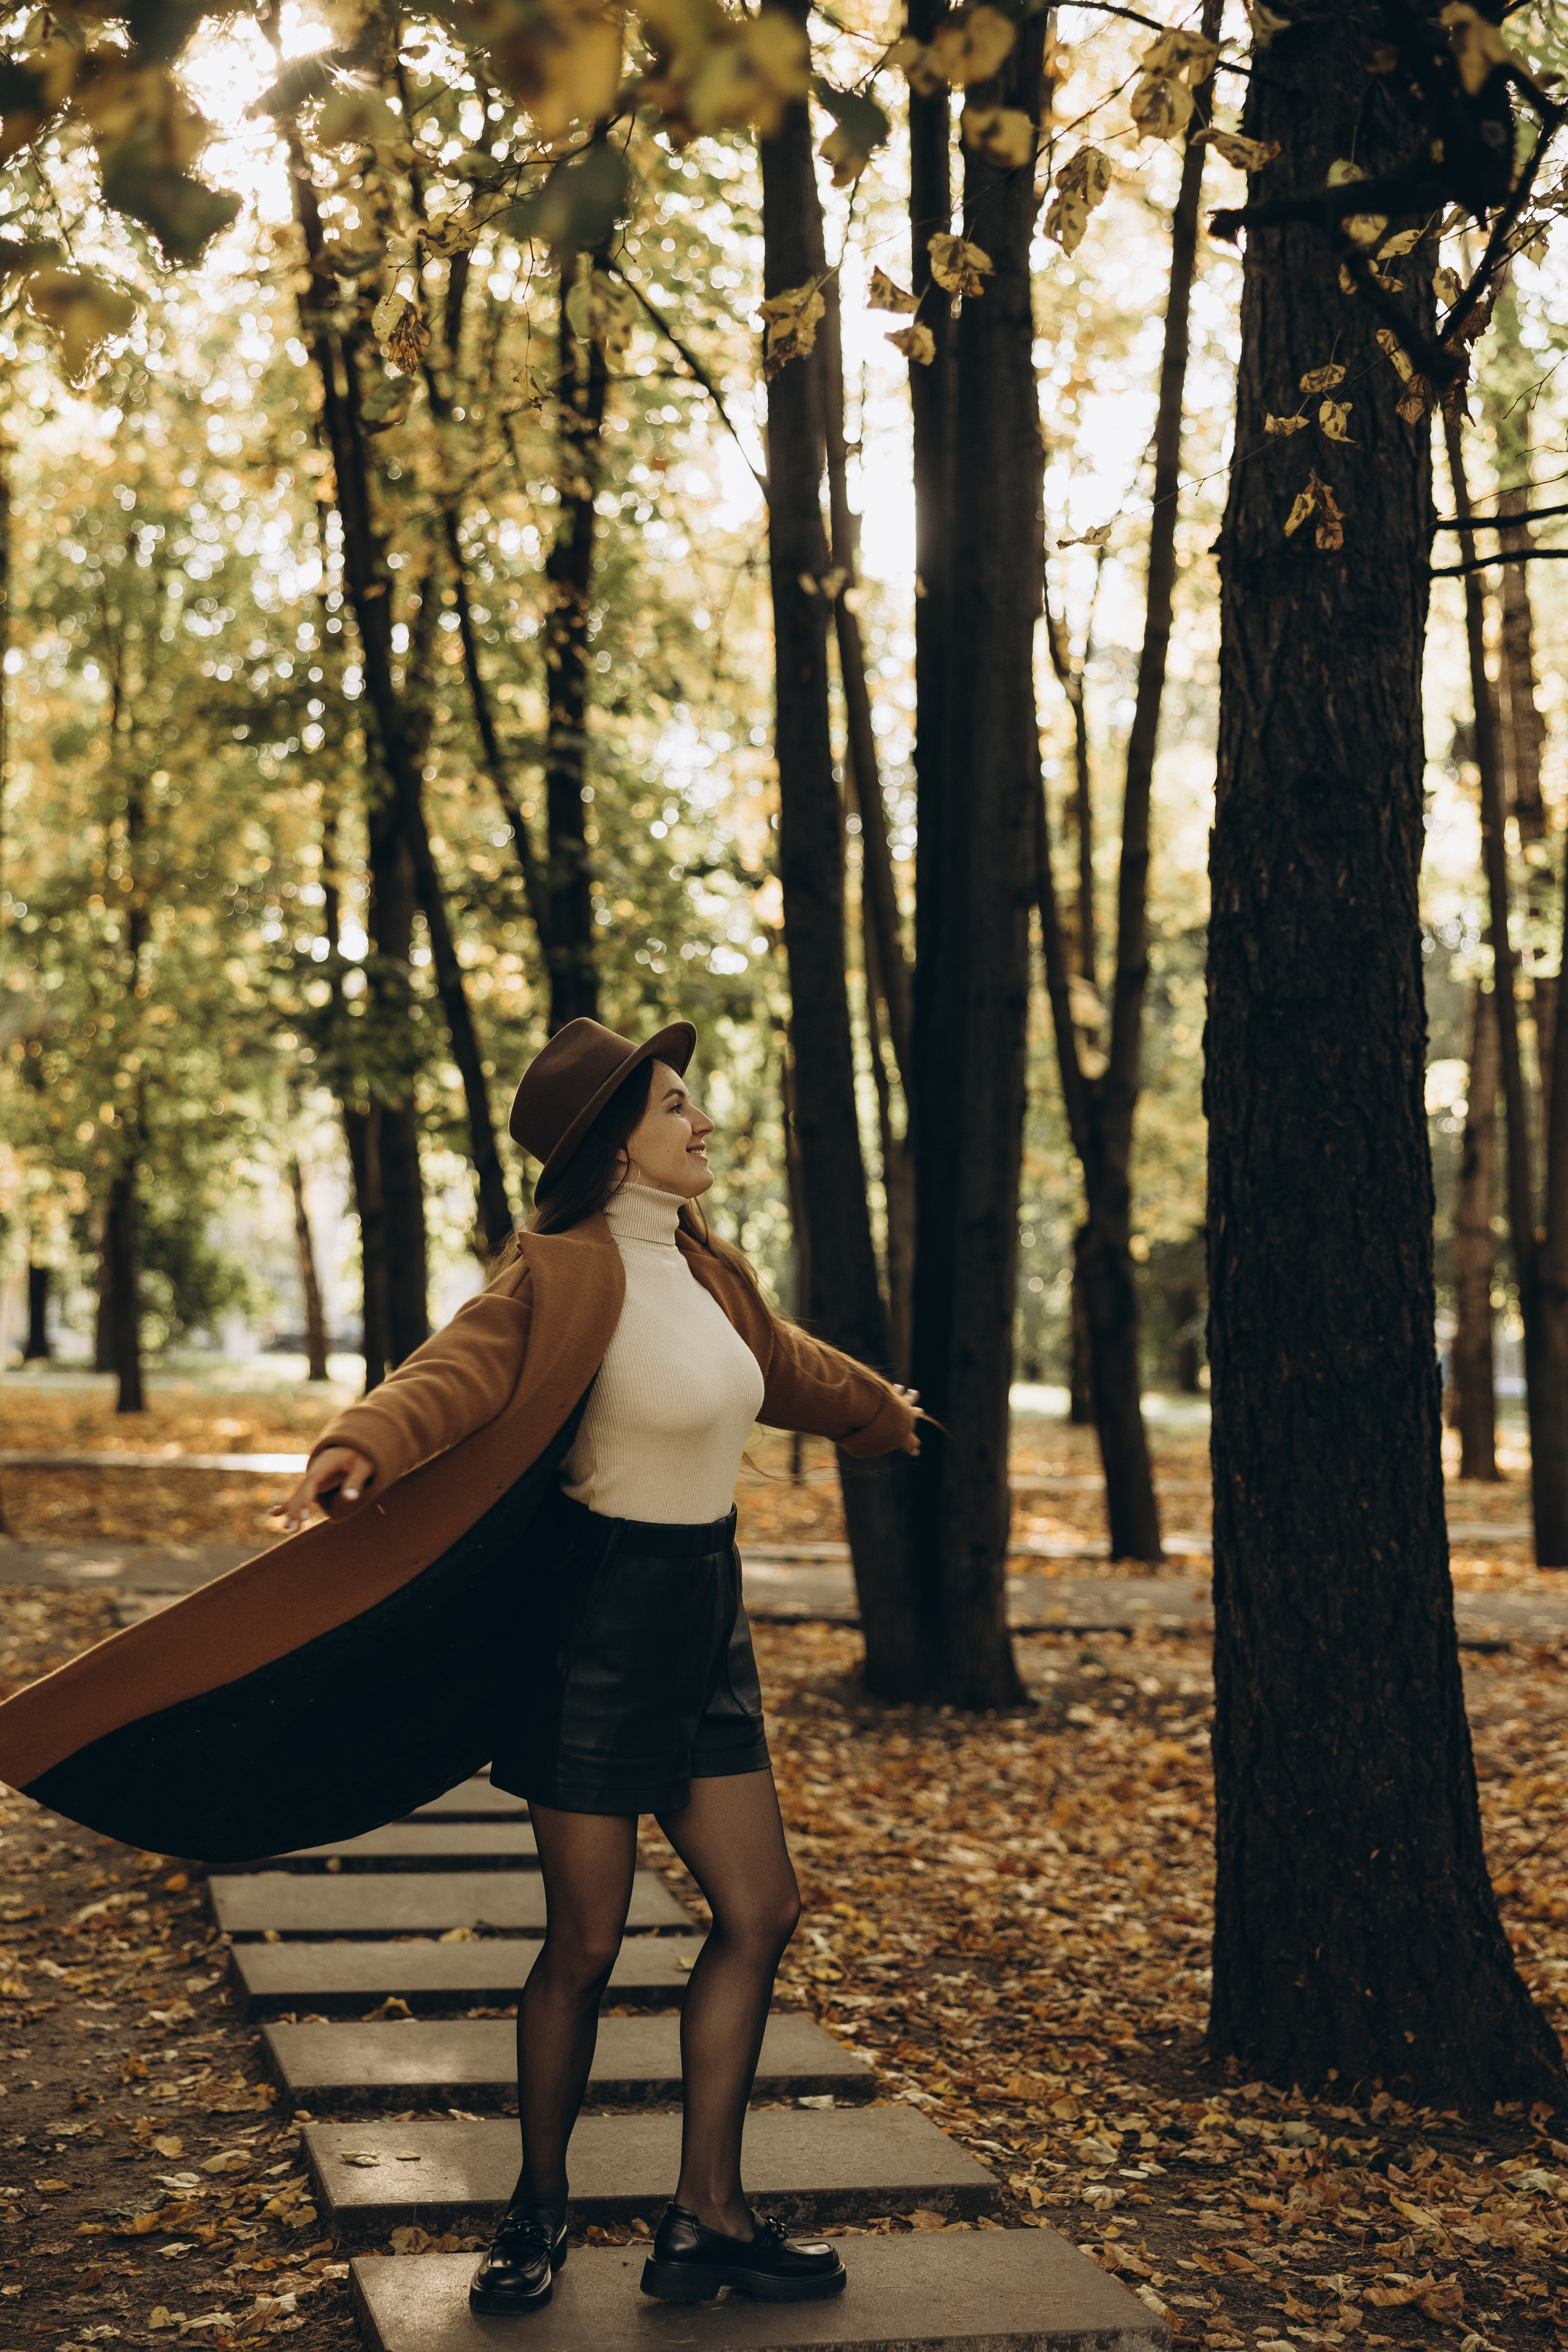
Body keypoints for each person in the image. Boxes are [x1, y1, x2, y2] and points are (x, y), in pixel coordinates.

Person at [271, 1017, 922, 2315]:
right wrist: (361, 1443)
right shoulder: (557, 1273)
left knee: (760, 1912)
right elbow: (450, 1372)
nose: (700, 1121)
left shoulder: (707, 1269)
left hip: (705, 1620)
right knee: (585, 1939)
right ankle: (536, 2211)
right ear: (613, 1140)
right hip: (596, 1627)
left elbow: (780, 1366)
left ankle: (706, 2220)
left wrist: (873, 1409)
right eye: (677, 1104)